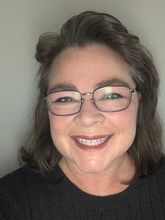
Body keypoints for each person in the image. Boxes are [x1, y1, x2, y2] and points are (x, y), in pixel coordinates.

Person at [0, 11, 165, 220]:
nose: (87, 117)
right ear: (46, 110)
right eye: (65, 99)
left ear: (140, 102)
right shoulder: (8, 204)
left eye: (111, 95)